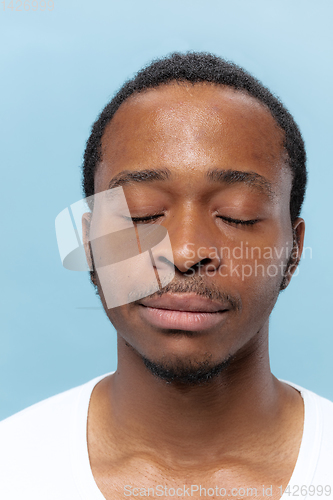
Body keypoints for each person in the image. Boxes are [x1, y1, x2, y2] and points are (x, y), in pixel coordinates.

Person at [1, 52, 332, 500]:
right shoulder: (13, 468)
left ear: (293, 252)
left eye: (236, 215)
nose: (185, 251)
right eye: (142, 214)